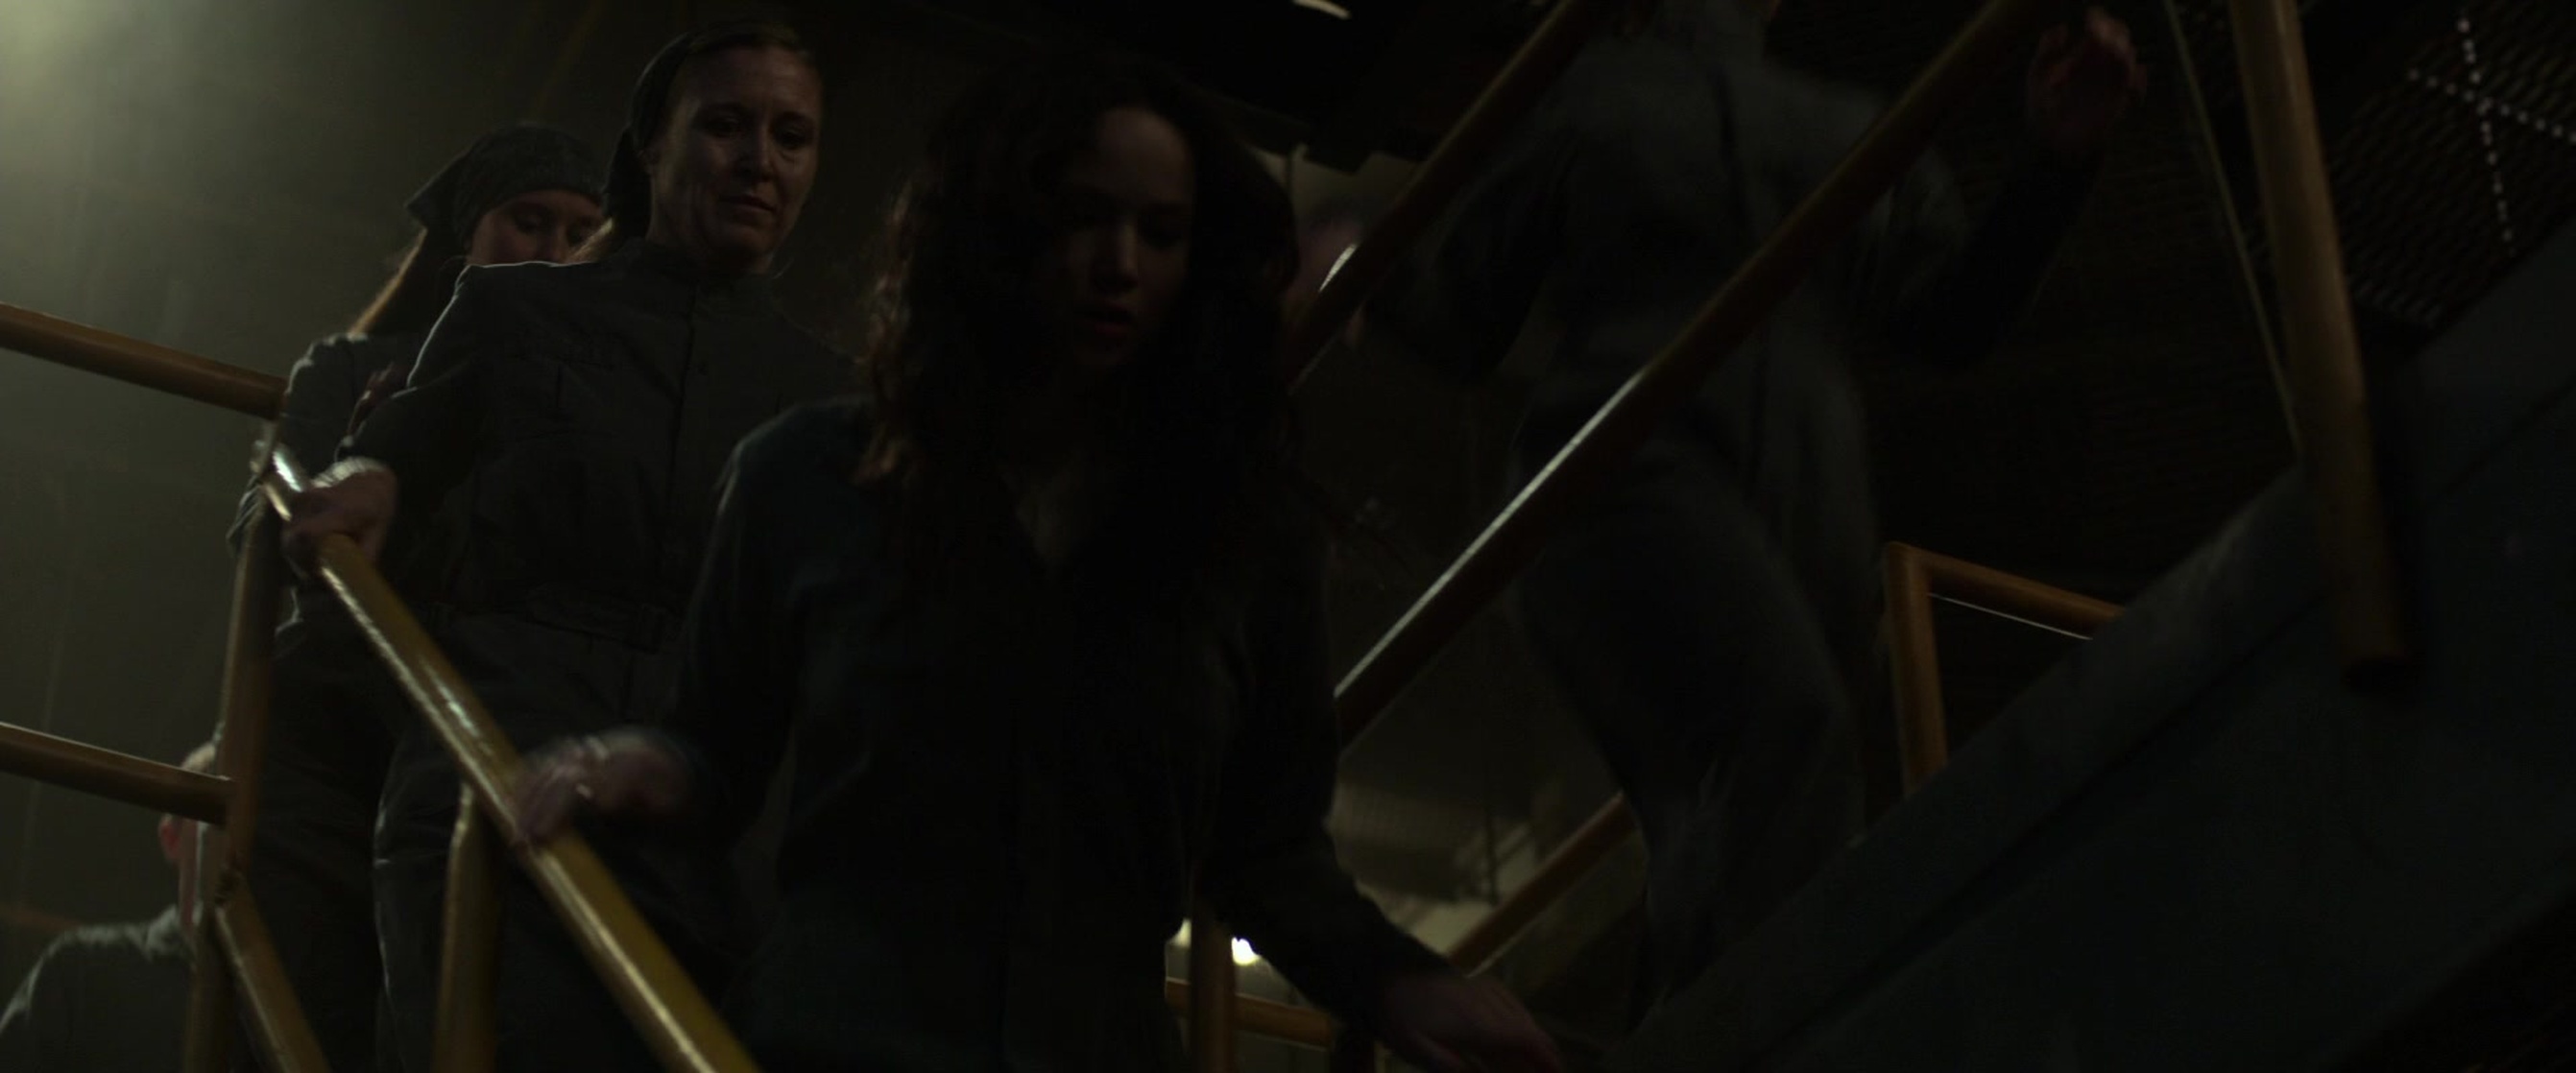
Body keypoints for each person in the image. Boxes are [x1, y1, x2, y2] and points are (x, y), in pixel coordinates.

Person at [509, 51, 1563, 1072]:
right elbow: (717, 749)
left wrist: (1398, 980)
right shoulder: (807, 477)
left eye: (1161, 233)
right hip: (837, 1044)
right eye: (1081, 216)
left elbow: (1268, 852)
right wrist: (644, 761)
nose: (1119, 263)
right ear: (995, 228)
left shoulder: (1243, 534)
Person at [1360, 0, 2147, 1009]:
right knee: (1787, 734)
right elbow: (1460, 317)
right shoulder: (1613, 94)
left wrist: (2054, 162)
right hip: (1635, 463)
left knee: (1732, 806)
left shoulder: (1694, 105)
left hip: (1792, 491)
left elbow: (1950, 320)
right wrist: (1361, 265)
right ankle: (1772, 1035)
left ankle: (1696, 1029)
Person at [283, 21, 843, 1072]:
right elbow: (396, 453)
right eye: (725, 125)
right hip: (501, 767)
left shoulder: (834, 402)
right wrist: (369, 473)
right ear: (653, 145)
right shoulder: (513, 311)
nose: (759, 161)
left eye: (791, 136)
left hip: (714, 832)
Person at [223, 122, 603, 1073]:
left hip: (481, 746)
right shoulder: (352, 366)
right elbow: (265, 521)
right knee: (300, 1013)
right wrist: (361, 462)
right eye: (529, 222)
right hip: (337, 736)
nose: (554, 252)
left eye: (579, 232)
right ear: (466, 235)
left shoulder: (586, 410)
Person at [0, 743, 215, 1072]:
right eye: (214, 820)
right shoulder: (83, 971)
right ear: (171, 838)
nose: (236, 839)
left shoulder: (281, 1001)